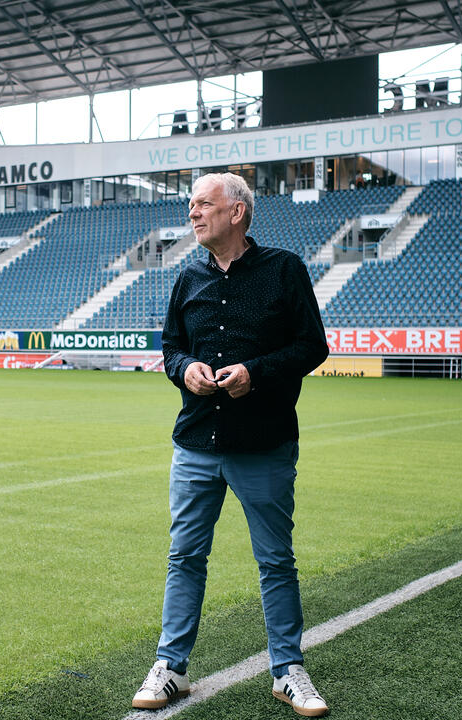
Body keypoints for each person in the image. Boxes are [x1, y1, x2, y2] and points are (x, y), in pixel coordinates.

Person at [131, 173, 330, 717]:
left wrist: (256, 373)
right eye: (191, 205)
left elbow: (314, 346)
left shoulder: (284, 270)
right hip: (195, 442)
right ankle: (170, 667)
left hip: (263, 443)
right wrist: (184, 369)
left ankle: (289, 671)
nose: (192, 214)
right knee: (184, 556)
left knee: (275, 560)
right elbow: (170, 347)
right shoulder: (187, 276)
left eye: (203, 204)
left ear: (237, 212)